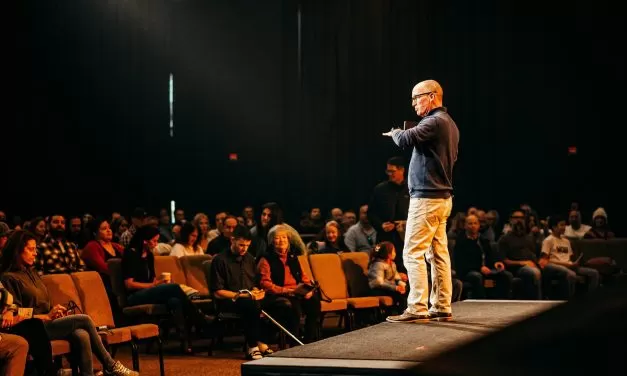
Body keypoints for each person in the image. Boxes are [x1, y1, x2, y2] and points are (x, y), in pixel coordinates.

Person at [0, 230, 138, 376]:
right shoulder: (9, 278)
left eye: (35, 249)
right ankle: (111, 365)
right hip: (33, 328)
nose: (35, 253)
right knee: (84, 319)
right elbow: (16, 312)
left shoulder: (32, 273)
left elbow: (42, 303)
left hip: (47, 321)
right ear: (17, 250)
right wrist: (46, 316)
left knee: (82, 334)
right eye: (31, 249)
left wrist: (55, 310)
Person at [382, 79, 459, 323]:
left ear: (433, 96)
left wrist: (395, 132)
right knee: (437, 253)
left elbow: (405, 139)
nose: (414, 103)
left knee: (412, 252)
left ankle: (417, 307)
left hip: (427, 197)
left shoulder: (434, 121)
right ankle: (441, 305)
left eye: (417, 98)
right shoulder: (449, 123)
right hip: (440, 197)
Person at [209, 225, 271, 360]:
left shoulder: (249, 258)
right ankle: (253, 346)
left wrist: (257, 291)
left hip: (248, 298)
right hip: (228, 301)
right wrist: (244, 295)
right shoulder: (219, 260)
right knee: (250, 305)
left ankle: (261, 341)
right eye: (241, 245)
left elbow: (255, 283)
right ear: (232, 240)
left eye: (247, 245)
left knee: (276, 301)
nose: (244, 249)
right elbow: (217, 292)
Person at [257, 225, 321, 344]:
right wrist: (288, 291)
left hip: (296, 292)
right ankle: (294, 343)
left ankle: (309, 340)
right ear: (272, 241)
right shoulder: (266, 259)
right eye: (277, 238)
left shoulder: (292, 256)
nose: (281, 241)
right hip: (278, 294)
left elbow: (304, 277)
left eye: (284, 237)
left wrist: (308, 290)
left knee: (314, 303)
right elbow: (265, 284)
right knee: (294, 308)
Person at [367, 241, 408, 312]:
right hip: (378, 289)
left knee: (406, 291)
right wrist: (395, 288)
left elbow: (397, 277)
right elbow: (379, 283)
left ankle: (404, 311)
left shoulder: (392, 264)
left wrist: (402, 285)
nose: (395, 253)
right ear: (388, 254)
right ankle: (398, 313)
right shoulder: (378, 264)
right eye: (393, 251)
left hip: (389, 288)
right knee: (398, 296)